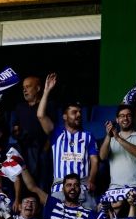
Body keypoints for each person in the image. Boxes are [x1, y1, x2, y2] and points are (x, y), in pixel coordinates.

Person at [38, 74, 98, 205]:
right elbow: (41, 115)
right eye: (74, 112)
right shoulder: (56, 133)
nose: (78, 115)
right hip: (59, 189)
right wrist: (46, 91)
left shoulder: (88, 136)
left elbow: (94, 160)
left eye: (80, 112)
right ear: (65, 116)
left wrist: (92, 180)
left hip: (83, 189)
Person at [11, 75, 54, 190]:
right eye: (23, 87)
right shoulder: (20, 107)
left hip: (42, 151)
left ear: (38, 89)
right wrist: (16, 130)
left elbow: (52, 131)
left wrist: (46, 148)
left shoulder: (48, 106)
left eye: (28, 87)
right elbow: (15, 129)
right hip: (24, 150)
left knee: (42, 183)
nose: (24, 90)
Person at [99, 105, 136, 190]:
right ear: (117, 120)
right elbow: (102, 157)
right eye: (122, 116)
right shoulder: (111, 139)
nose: (125, 118)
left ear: (132, 118)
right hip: (116, 187)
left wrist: (118, 138)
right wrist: (108, 135)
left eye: (128, 115)